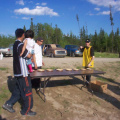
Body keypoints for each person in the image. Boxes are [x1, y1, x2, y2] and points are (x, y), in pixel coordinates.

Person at [2, 28, 36, 116]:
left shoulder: (15, 44)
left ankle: (8, 104)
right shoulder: (20, 45)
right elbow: (28, 55)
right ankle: (26, 110)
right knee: (27, 91)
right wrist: (32, 50)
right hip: (23, 72)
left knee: (18, 90)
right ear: (23, 35)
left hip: (17, 72)